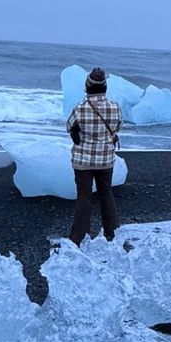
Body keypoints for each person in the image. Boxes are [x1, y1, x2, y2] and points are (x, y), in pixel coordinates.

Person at [66, 67, 122, 245]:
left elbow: (69, 127)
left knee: (84, 195)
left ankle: (78, 236)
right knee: (106, 192)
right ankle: (111, 232)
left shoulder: (80, 109)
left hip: (83, 160)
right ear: (105, 87)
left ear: (87, 87)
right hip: (105, 159)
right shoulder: (114, 107)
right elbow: (117, 127)